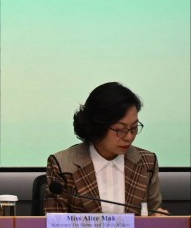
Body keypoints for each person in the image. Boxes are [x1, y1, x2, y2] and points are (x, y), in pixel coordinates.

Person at [44, 82, 166, 214]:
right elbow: (56, 227)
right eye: (121, 129)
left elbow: (154, 215)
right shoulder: (62, 164)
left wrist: (158, 218)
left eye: (134, 127)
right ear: (98, 126)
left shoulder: (147, 162)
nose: (129, 136)